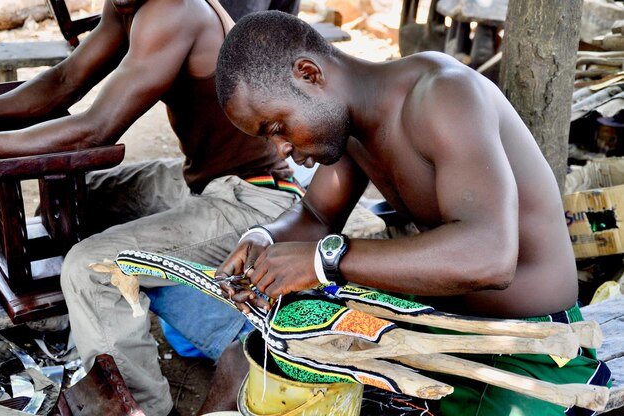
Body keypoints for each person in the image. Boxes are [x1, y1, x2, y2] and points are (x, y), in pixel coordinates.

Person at [213, 11, 612, 415]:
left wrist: (325, 261)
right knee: (243, 362)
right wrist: (265, 238)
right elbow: (316, 216)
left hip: (529, 344)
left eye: (277, 127)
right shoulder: (345, 127)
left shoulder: (443, 95)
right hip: (431, 322)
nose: (279, 150)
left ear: (309, 74)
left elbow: (490, 257)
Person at [0, 1, 305, 415]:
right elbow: (63, 80)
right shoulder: (125, 7)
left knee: (93, 267)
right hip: (199, 180)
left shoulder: (174, 10)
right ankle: (96, 335)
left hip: (255, 199)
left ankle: (141, 407)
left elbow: (95, 131)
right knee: (76, 201)